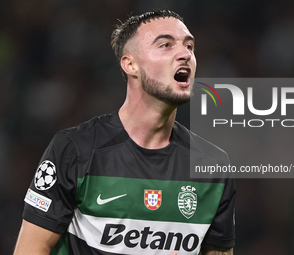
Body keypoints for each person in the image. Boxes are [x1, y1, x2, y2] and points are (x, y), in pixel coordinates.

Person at [14, 10, 236, 255]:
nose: (185, 54)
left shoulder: (213, 166)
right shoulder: (75, 150)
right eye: (165, 45)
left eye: (190, 46)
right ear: (130, 64)